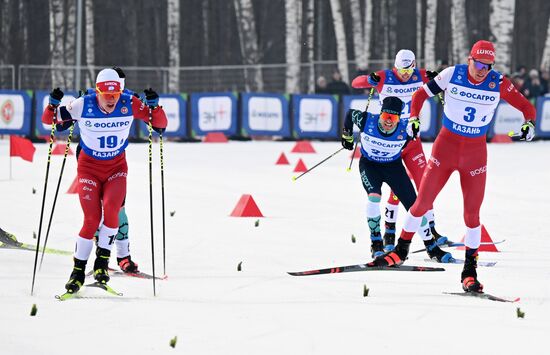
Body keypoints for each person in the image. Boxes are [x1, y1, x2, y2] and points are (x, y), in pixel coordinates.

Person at [369, 40, 536, 293]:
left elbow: (527, 107)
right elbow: (419, 94)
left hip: (475, 155)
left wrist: (529, 124)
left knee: (472, 215)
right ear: (470, 59)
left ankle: (470, 271)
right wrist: (413, 117)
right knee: (421, 202)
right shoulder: (452, 74)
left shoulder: (498, 82)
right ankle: (401, 250)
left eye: (487, 66)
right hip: (445, 149)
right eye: (478, 63)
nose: (482, 70)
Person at [41, 68, 167, 293]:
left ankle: (102, 262)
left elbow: (160, 125)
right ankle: (77, 272)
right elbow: (49, 121)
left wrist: (155, 106)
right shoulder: (83, 104)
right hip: (89, 168)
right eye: (106, 94)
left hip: (116, 168)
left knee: (113, 213)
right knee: (92, 219)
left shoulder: (129, 102)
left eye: (115, 93)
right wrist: (52, 105)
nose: (111, 99)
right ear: (97, 91)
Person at [351, 49, 448, 255]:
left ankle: (430, 230)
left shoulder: (420, 74)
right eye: (401, 70)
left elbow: (445, 82)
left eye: (409, 69)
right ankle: (389, 232)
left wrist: (435, 78)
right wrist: (369, 78)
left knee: (423, 185)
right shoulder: (385, 76)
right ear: (395, 66)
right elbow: (356, 83)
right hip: (388, 139)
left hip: (411, 140)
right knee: (395, 187)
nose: (405, 74)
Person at [342, 96, 453, 262]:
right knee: (374, 197)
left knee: (415, 207)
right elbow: (350, 114)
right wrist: (347, 135)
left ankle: (431, 247)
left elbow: (415, 123)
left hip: (393, 168)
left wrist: (415, 127)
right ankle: (377, 244)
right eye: (386, 116)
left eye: (393, 118)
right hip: (370, 166)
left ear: (399, 118)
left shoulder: (405, 129)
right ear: (380, 114)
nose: (388, 121)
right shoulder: (366, 120)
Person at [83, 67, 141, 274]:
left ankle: (123, 256)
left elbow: (146, 110)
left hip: (115, 162)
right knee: (96, 211)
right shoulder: (92, 97)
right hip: (89, 161)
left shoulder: (127, 99)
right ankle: (101, 254)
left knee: (117, 209)